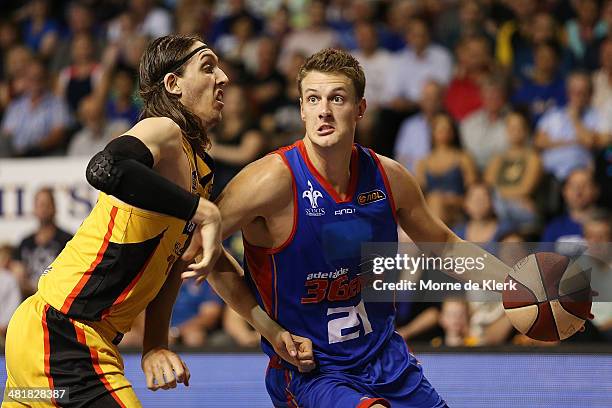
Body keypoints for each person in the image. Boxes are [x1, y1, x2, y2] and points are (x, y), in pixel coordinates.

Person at [3, 35, 313, 407]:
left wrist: (268, 331)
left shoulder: (199, 171)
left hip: (54, 338)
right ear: (173, 84)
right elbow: (104, 167)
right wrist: (204, 211)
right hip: (64, 334)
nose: (224, 77)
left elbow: (190, 261)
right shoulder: (164, 130)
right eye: (208, 66)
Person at [194, 48, 514, 408]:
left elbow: (446, 245)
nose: (324, 110)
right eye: (312, 99)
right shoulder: (268, 181)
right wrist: (265, 325)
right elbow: (198, 247)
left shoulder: (389, 177)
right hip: (312, 372)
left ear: (360, 109)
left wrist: (516, 286)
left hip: (387, 361)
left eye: (337, 98)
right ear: (301, 109)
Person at [13, 187, 73, 297]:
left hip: (56, 302)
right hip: (31, 302)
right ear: (34, 209)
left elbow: (70, 276)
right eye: (40, 205)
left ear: (54, 208)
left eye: (47, 204)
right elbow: (18, 275)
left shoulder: (67, 240)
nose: (43, 209)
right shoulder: (25, 243)